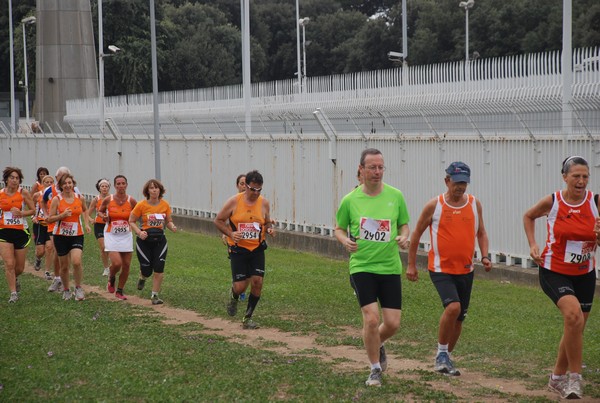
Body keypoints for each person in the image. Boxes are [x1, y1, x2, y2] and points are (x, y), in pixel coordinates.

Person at [406, 161, 492, 377]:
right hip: (440, 268)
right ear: (447, 181)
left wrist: (485, 255)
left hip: (466, 270)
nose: (460, 187)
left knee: (460, 317)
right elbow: (416, 235)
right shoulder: (434, 205)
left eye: (464, 183)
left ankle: (444, 356)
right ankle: (442, 354)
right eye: (456, 182)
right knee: (453, 307)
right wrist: (411, 265)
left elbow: (481, 232)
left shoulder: (474, 204)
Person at [523, 156, 598, 399]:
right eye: (576, 176)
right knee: (573, 316)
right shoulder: (553, 202)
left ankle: (556, 377)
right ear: (564, 177)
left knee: (576, 326)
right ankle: (574, 379)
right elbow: (528, 216)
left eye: (585, 176)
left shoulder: (595, 201)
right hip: (553, 270)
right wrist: (533, 244)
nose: (581, 181)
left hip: (584, 273)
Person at [334, 148, 410, 387]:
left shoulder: (395, 196)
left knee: (393, 323)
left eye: (380, 167)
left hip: (389, 267)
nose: (377, 172)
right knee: (370, 319)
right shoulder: (350, 200)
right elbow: (338, 227)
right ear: (361, 170)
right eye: (372, 167)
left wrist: (404, 237)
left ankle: (376, 341)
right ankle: (375, 368)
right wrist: (344, 240)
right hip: (362, 267)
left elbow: (404, 225)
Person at [214, 170, 275, 330]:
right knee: (240, 287)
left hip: (257, 248)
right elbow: (218, 220)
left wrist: (269, 229)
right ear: (246, 186)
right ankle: (234, 296)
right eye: (253, 189)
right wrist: (230, 233)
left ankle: (247, 317)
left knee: (257, 282)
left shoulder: (264, 203)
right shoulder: (233, 202)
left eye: (259, 190)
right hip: (238, 249)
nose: (256, 193)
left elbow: (267, 222)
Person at [129, 179, 177, 305]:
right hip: (144, 241)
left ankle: (154, 295)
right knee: (147, 270)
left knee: (159, 268)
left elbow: (168, 220)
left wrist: (172, 226)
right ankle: (142, 276)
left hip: (160, 241)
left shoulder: (165, 205)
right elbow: (131, 220)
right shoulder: (141, 205)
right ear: (147, 191)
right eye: (151, 188)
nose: (154, 190)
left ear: (160, 190)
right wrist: (139, 232)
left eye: (156, 188)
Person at [46, 173, 91, 301]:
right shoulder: (57, 199)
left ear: (73, 184)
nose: (67, 185)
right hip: (60, 235)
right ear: (60, 185)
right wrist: (62, 215)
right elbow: (49, 219)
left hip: (77, 234)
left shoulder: (79, 197)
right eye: (64, 183)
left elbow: (85, 210)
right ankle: (66, 289)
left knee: (76, 261)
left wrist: (86, 224)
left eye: (69, 183)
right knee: (64, 266)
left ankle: (78, 288)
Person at [0, 167, 36, 303]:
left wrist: (21, 213)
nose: (15, 181)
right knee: (9, 264)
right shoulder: (1, 194)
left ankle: (15, 277)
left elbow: (33, 210)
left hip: (21, 232)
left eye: (17, 178)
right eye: (12, 178)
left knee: (19, 267)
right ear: (6, 179)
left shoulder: (23, 193)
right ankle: (13, 293)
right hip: (3, 232)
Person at [99, 175, 137, 300]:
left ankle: (119, 291)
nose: (121, 186)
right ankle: (111, 277)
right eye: (118, 184)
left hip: (126, 235)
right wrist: (104, 216)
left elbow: (138, 213)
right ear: (115, 186)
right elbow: (100, 211)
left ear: (126, 185)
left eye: (123, 183)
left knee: (126, 265)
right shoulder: (108, 199)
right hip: (111, 234)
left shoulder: (131, 200)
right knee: (117, 263)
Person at [86, 178, 111, 276]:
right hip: (99, 225)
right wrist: (90, 219)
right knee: (103, 247)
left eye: (106, 186)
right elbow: (87, 213)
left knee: (110, 247)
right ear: (99, 188)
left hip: (110, 225)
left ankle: (111, 265)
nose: (104, 188)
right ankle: (106, 268)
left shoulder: (113, 198)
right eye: (102, 186)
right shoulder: (96, 199)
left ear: (109, 188)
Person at [32, 174, 55, 279]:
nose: (49, 184)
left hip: (51, 225)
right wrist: (34, 216)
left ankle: (47, 272)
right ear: (42, 183)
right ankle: (38, 258)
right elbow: (32, 207)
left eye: (51, 182)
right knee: (41, 251)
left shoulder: (56, 196)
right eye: (47, 182)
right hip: (40, 225)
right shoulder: (37, 195)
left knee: (50, 248)